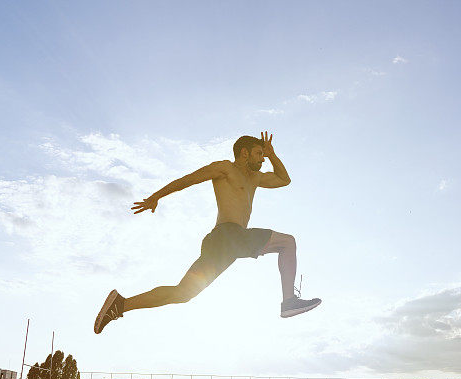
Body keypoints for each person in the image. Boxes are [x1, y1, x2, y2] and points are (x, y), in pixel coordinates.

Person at [94, 132, 321, 334]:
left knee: (183, 294)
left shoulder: (255, 178)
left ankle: (121, 305)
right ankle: (288, 301)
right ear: (244, 153)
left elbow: (284, 180)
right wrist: (156, 197)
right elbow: (189, 180)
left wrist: (272, 154)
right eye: (259, 153)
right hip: (228, 235)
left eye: (264, 155)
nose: (262, 159)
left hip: (227, 245)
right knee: (288, 242)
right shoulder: (225, 168)